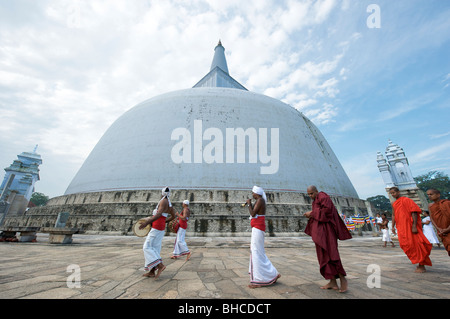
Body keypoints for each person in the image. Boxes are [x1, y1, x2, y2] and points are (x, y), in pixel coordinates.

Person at [304, 185, 351, 293]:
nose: (310, 196)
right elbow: (319, 212)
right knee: (324, 256)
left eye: (311, 193)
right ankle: (332, 282)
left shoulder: (323, 197)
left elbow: (327, 212)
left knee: (332, 254)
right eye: (309, 194)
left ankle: (343, 279)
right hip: (320, 231)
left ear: (316, 191)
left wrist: (311, 213)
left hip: (327, 231)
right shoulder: (316, 199)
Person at [389, 187, 432, 273]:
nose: (393, 195)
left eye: (394, 192)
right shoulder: (394, 203)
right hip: (401, 226)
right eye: (391, 193)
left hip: (409, 225)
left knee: (416, 244)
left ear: (398, 192)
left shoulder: (406, 200)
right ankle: (419, 262)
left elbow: (414, 212)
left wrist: (414, 225)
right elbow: (394, 215)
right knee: (405, 244)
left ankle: (421, 264)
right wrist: (393, 226)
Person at [246, 186, 280, 288]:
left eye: (253, 193)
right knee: (258, 251)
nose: (252, 195)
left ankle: (259, 280)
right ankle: (272, 273)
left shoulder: (260, 200)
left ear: (257, 193)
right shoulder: (260, 201)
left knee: (256, 251)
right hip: (257, 227)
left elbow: (252, 213)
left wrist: (248, 204)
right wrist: (251, 204)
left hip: (258, 228)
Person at [139, 187, 175, 279]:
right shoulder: (169, 203)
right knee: (154, 249)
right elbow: (173, 216)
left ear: (162, 193)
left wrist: (146, 222)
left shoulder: (163, 202)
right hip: (160, 227)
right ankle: (151, 271)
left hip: (157, 228)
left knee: (146, 247)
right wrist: (164, 222)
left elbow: (158, 214)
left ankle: (160, 265)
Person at [426, 188, 450, 256]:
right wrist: (439, 229)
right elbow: (432, 218)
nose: (429, 196)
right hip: (442, 231)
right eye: (428, 195)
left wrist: (447, 229)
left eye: (431, 194)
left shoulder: (447, 203)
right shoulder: (430, 206)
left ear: (438, 195)